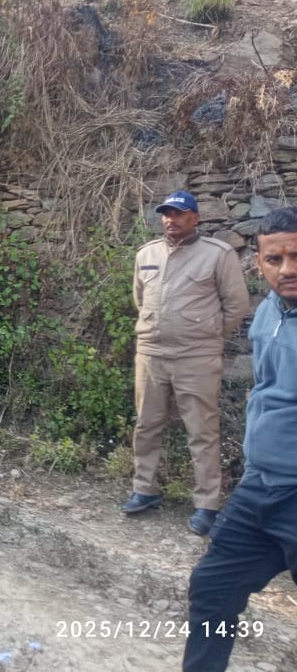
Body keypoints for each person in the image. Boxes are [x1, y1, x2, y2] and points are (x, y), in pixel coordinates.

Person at [183, 207, 297, 671]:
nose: (287, 269)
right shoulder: (269, 311)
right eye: (275, 259)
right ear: (259, 264)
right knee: (213, 588)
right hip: (260, 487)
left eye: (296, 256)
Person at [121, 190, 249, 535]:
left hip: (197, 358)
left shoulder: (217, 254)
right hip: (151, 353)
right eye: (166, 214)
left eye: (178, 214)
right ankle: (144, 489)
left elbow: (236, 305)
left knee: (202, 431)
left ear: (195, 218)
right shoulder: (146, 254)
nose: (170, 220)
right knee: (146, 424)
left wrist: (206, 336)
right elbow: (140, 299)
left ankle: (207, 504)